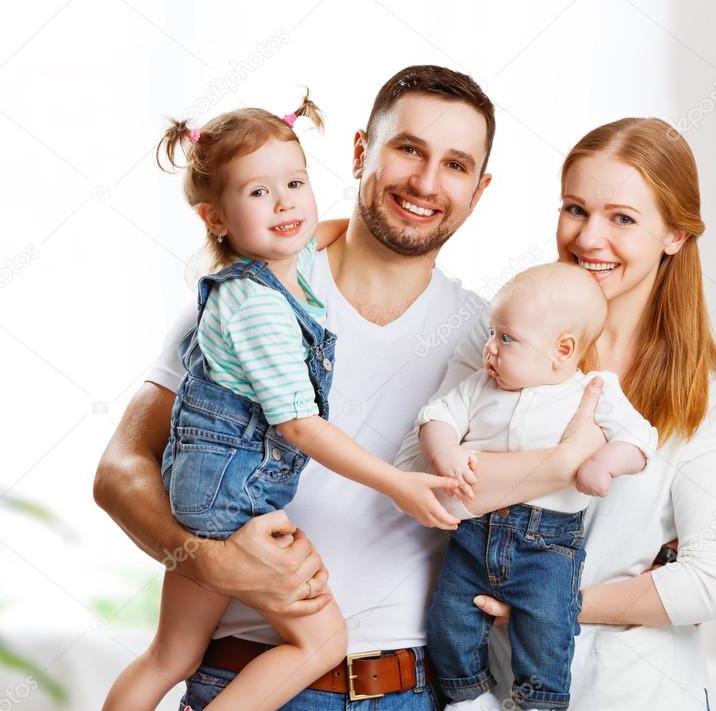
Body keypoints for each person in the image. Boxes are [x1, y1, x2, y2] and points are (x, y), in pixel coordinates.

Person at [94, 65, 597, 710]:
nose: (425, 181)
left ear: (480, 189)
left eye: (455, 165)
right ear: (362, 151)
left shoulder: (494, 342)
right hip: (249, 680)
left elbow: (504, 485)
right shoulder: (254, 298)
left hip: (412, 689)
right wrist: (210, 562)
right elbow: (118, 470)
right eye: (408, 149)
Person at [102, 93, 463, 711]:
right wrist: (397, 484)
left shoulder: (276, 275)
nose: (285, 201)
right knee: (323, 640)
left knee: (168, 656)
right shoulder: (260, 307)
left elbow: (308, 235)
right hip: (233, 503)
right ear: (215, 217)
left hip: (221, 499)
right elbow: (298, 425)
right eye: (258, 192)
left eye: (294, 182)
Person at [407, 118, 716, 710]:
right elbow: (424, 491)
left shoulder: (701, 391)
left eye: (622, 218)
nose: (589, 238)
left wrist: (545, 603)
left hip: (639, 693)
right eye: (575, 209)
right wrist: (564, 463)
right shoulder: (500, 338)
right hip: (493, 689)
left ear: (673, 234)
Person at [403, 262, 657, 710]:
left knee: (546, 628)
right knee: (449, 619)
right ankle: (467, 696)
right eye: (492, 333)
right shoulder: (479, 386)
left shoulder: (593, 392)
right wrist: (446, 451)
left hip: (548, 545)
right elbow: (435, 416)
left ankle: (539, 702)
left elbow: (641, 438)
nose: (490, 349)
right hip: (474, 535)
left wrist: (604, 463)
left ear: (563, 350)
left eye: (506, 338)